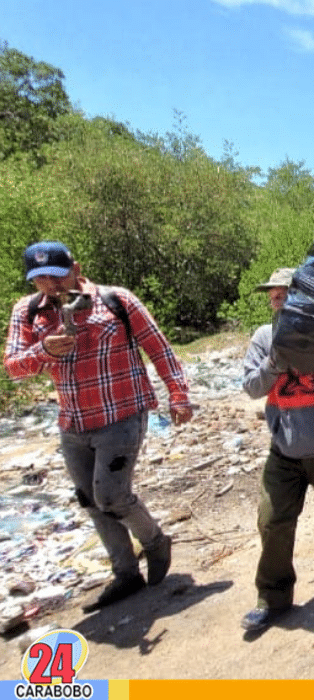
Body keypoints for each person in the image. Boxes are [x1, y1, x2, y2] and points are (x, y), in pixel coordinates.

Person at [4, 242, 190, 612]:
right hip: (73, 421)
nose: (50, 285)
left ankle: (155, 542)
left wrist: (179, 395)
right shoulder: (28, 312)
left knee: (111, 496)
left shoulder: (114, 300)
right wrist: (44, 351)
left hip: (122, 413)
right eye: (40, 278)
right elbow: (13, 367)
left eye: (57, 275)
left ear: (76, 268)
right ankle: (125, 574)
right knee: (90, 501)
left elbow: (158, 347)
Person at [240, 267, 314, 632]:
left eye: (284, 292)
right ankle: (273, 597)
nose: (277, 299)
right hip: (285, 449)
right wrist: (275, 361)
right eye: (273, 295)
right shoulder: (263, 338)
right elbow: (251, 387)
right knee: (271, 519)